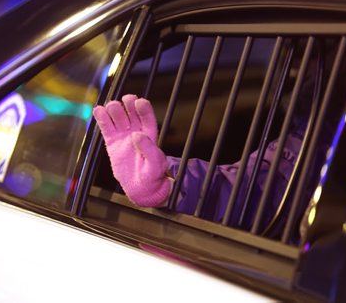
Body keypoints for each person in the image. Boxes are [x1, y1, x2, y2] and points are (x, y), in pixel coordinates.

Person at [93, 94, 307, 230]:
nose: (298, 63)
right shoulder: (309, 138)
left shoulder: (319, 134)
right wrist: (169, 188)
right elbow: (254, 190)